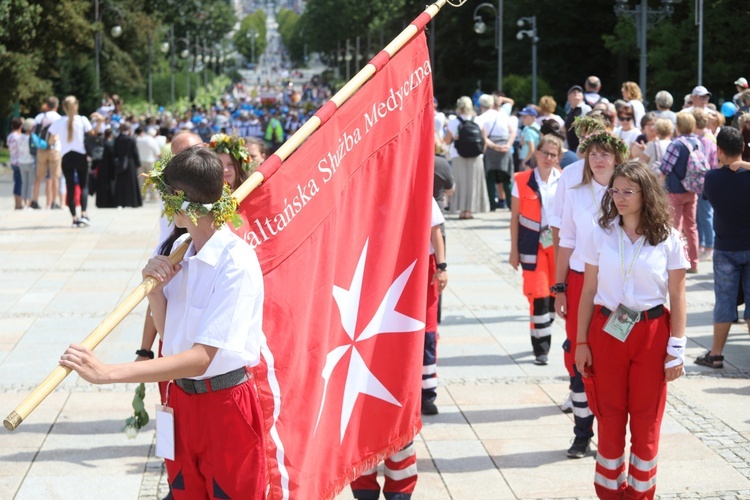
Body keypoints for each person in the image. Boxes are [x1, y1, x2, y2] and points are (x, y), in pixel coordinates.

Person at [60, 146, 266, 499]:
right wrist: (156, 293)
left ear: (182, 202)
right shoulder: (183, 248)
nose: (164, 206)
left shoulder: (237, 263)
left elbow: (202, 357)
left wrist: (108, 373)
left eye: (167, 196)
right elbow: (174, 338)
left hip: (225, 406)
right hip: (183, 401)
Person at [576, 160, 688, 499]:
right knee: (609, 417)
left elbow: (678, 294)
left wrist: (677, 349)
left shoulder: (668, 238)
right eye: (615, 190)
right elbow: (588, 289)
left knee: (646, 420)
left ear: (646, 194)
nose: (620, 197)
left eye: (628, 191)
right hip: (607, 329)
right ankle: (609, 493)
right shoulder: (601, 232)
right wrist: (580, 340)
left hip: (652, 332)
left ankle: (640, 494)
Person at [555, 131, 629, 459]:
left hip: (618, 285)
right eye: (593, 154)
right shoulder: (576, 191)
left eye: (605, 154)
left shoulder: (628, 192)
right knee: (578, 352)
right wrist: (558, 287)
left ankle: (612, 435)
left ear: (617, 158)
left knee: (613, 355)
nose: (599, 160)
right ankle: (582, 432)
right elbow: (566, 240)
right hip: (579, 281)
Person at [697, 127, 750, 369]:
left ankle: (716, 354)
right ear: (742, 148)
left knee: (724, 302)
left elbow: (708, 196)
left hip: (726, 247)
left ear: (718, 150)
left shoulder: (712, 178)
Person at [509, 135, 562, 365]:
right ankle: (541, 349)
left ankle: (544, 328)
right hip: (532, 246)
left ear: (558, 157)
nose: (548, 158)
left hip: (558, 247)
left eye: (553, 154)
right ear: (536, 153)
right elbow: (514, 218)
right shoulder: (521, 180)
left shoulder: (564, 180)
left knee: (552, 294)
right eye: (544, 153)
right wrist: (513, 251)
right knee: (537, 294)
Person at [660, 112, 702, 273]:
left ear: (678, 126)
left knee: (674, 227)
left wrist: (658, 187)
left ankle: (675, 263)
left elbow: (665, 168)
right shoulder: (697, 142)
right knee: (691, 227)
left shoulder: (675, 144)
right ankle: (694, 262)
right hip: (692, 190)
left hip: (675, 191)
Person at [48, 96, 93, 227]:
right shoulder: (82, 120)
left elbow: (50, 141)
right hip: (81, 156)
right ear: (76, 106)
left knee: (70, 187)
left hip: (66, 156)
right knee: (83, 186)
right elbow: (91, 134)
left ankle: (74, 217)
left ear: (63, 107)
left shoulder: (58, 122)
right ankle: (84, 214)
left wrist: (57, 137)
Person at [444, 96, 490, 219]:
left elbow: (447, 141)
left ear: (458, 107)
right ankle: (469, 210)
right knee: (473, 183)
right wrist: (481, 153)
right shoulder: (478, 120)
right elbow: (484, 140)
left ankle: (461, 210)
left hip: (458, 155)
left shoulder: (454, 122)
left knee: (460, 182)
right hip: (476, 156)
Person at [478, 94, 515, 210]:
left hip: (490, 148)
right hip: (505, 146)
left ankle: (491, 205)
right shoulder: (503, 115)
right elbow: (513, 132)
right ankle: (511, 205)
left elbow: (484, 137)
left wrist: (494, 147)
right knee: (507, 177)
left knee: (490, 178)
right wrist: (507, 145)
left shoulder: (482, 117)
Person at [692, 109, 718, 262]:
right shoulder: (703, 139)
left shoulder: (705, 140)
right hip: (704, 182)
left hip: (704, 182)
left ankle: (709, 246)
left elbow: (712, 164)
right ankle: (703, 244)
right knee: (701, 216)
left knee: (706, 215)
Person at [32, 96, 63, 210]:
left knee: (39, 177)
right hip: (54, 149)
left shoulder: (39, 117)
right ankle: (53, 203)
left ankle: (34, 201)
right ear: (57, 106)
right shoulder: (59, 118)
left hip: (41, 148)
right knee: (55, 177)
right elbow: (60, 134)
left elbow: (34, 132)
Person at [109, 122, 142, 208]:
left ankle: (120, 202)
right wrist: (138, 163)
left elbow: (114, 152)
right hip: (130, 163)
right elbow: (135, 152)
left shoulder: (117, 139)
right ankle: (132, 202)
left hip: (120, 163)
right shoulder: (131, 139)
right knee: (131, 183)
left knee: (120, 183)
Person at [564, 86, 592, 152]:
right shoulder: (569, 112)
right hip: (571, 148)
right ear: (568, 97)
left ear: (582, 96)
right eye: (573, 92)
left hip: (583, 148)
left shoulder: (586, 109)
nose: (576, 93)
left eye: (579, 92)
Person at [17, 119, 37, 209]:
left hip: (21, 161)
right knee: (30, 183)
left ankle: (24, 202)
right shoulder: (32, 138)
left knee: (24, 183)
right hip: (30, 161)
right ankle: (28, 203)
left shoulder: (19, 137)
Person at [6, 117, 23, 209]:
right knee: (20, 183)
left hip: (13, 161)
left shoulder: (10, 136)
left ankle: (17, 203)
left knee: (17, 182)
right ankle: (19, 204)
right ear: (20, 126)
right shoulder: (19, 137)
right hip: (20, 162)